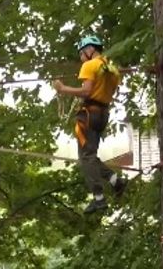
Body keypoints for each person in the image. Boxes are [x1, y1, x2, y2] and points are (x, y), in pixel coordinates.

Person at [52, 35, 127, 215]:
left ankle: (99, 198)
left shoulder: (90, 65)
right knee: (90, 155)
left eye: (81, 53)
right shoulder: (112, 69)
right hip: (103, 114)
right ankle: (115, 181)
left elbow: (86, 91)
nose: (81, 58)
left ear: (89, 50)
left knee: (86, 157)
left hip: (89, 114)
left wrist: (63, 89)